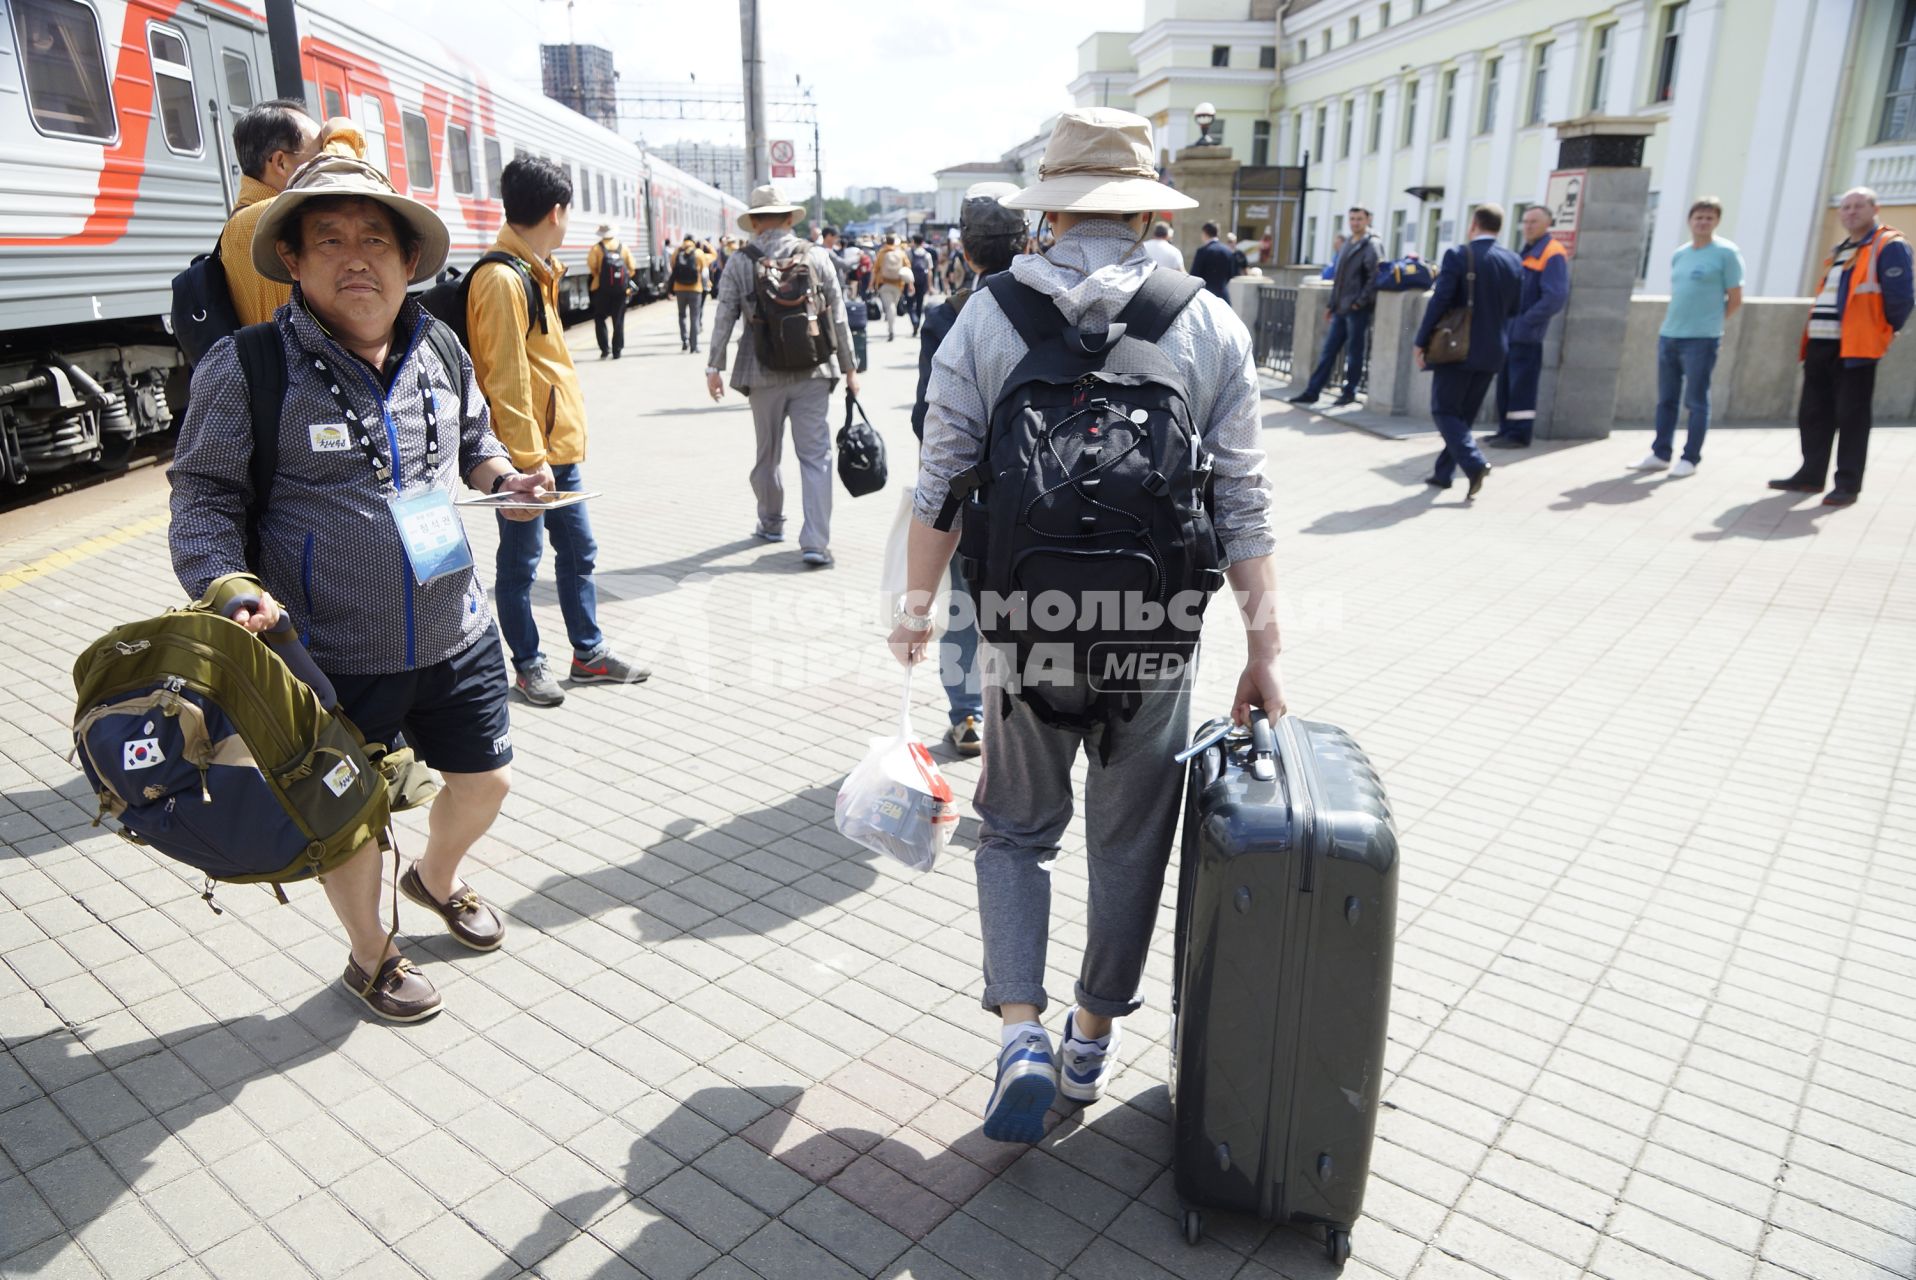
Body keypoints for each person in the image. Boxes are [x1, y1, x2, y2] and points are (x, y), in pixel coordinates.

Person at [891, 107, 1282, 1143]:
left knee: (1015, 829)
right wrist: (1263, 648)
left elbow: (940, 481)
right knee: (1128, 842)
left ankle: (1016, 1026)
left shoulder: (986, 316)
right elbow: (1241, 499)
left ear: (1049, 209)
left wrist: (916, 611)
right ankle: (1090, 1035)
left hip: (1025, 628)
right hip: (1155, 631)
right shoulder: (1207, 322)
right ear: (1154, 205)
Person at [170, 155, 548, 1021]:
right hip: (325, 649)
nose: (356, 257)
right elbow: (203, 500)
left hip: (455, 624)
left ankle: (435, 879)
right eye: (329, 239)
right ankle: (371, 956)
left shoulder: (440, 345)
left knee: (486, 781)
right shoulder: (248, 366)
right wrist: (228, 590)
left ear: (408, 260)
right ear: (293, 264)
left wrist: (502, 483)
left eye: (375, 238)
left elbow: (474, 442)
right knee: (349, 815)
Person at [467, 157, 648, 707]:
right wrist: (526, 461)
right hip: (527, 463)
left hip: (555, 453)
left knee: (578, 551)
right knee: (520, 566)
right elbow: (504, 378)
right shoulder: (502, 278)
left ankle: (587, 654)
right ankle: (527, 664)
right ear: (556, 211)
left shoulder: (533, 270)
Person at [909, 183, 1025, 758]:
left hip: (972, 494)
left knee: (960, 607)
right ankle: (1021, 719)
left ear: (966, 249)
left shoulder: (949, 315)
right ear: (1027, 236)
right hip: (1044, 496)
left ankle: (968, 715)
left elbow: (924, 418)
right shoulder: (1056, 305)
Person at [706, 184, 860, 567]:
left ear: (754, 222)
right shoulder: (818, 256)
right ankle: (815, 542)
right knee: (816, 457)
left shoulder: (741, 261)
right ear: (790, 218)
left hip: (761, 372)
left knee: (767, 455)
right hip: (814, 369)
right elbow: (837, 314)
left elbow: (725, 314)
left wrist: (714, 366)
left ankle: (771, 523)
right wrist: (850, 367)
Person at [1771, 187, 1909, 506]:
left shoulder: (1888, 245)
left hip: (1856, 346)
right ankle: (1810, 474)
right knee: (1814, 412)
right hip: (1821, 342)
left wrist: (1885, 330)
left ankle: (1847, 484)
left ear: (1875, 208)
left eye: (1858, 206)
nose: (1849, 212)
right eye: (1845, 207)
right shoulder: (1841, 249)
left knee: (1852, 416)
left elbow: (1901, 297)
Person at [1412, 204, 1523, 499]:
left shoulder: (1460, 256)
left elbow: (1440, 301)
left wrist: (1421, 340)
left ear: (1473, 224)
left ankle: (1474, 464)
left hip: (1457, 348)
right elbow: (1516, 308)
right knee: (1464, 416)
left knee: (1444, 410)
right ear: (1498, 227)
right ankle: (1443, 473)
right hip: (1494, 349)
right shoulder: (1513, 260)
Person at [220, 101, 365, 325]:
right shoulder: (270, 218)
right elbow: (334, 187)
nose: (324, 162)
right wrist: (342, 136)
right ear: (280, 163)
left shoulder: (241, 223)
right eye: (320, 155)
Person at [1630, 197, 1745, 477]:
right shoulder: (1680, 253)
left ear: (1717, 221)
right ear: (1689, 221)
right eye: (1699, 217)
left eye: (1709, 217)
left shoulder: (1727, 253)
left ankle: (1690, 458)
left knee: (1696, 400)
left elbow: (1735, 297)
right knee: (1666, 399)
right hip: (1670, 333)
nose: (1703, 222)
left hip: (1702, 339)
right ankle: (1660, 453)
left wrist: (1711, 324)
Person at [1483, 205, 1569, 449]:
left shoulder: (1552, 253)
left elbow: (1555, 297)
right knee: (1507, 385)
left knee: (1522, 386)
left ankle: (1518, 435)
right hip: (1511, 331)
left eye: (1534, 222)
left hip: (1526, 333)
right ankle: (1505, 430)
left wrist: (1525, 321)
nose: (1528, 226)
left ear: (1547, 224)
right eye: (1525, 221)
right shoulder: (1529, 251)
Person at [1290, 209, 1382, 407]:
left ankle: (1350, 392)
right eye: (1352, 219)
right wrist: (1332, 304)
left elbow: (1374, 277)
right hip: (1340, 308)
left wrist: (1360, 302)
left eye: (1359, 219)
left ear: (1368, 220)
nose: (1355, 223)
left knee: (1354, 353)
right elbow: (1339, 277)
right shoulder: (1348, 242)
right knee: (1328, 351)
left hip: (1357, 309)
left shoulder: (1372, 244)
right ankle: (1312, 391)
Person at [587, 223, 637, 360]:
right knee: (618, 320)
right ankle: (617, 351)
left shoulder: (597, 248)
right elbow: (632, 267)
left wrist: (600, 276)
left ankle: (604, 349)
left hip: (600, 289)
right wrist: (623, 279)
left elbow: (592, 266)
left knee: (599, 318)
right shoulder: (623, 247)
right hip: (620, 291)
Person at [669, 234, 710, 353]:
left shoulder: (677, 251)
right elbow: (704, 271)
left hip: (679, 289)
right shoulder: (699, 253)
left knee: (682, 315)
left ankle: (684, 340)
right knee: (694, 317)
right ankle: (694, 346)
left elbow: (672, 266)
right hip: (695, 289)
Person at [873, 233, 913, 341]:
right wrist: (910, 284)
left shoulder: (881, 253)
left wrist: (872, 284)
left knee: (889, 307)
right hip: (898, 284)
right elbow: (907, 268)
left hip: (884, 283)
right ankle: (891, 326)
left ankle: (891, 329)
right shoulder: (901, 253)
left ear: (886, 241)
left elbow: (875, 269)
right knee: (893, 306)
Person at [1191, 221, 1235, 300]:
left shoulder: (1203, 251)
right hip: (1223, 295)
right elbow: (1231, 274)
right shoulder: (1228, 251)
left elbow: (1195, 275)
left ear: (1205, 233)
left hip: (1205, 296)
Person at [908, 233, 935, 336]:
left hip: (911, 281)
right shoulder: (927, 254)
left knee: (910, 304)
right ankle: (918, 323)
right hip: (922, 282)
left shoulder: (909, 253)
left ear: (914, 242)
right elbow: (929, 271)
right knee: (919, 304)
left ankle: (914, 321)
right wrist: (930, 285)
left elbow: (907, 267)